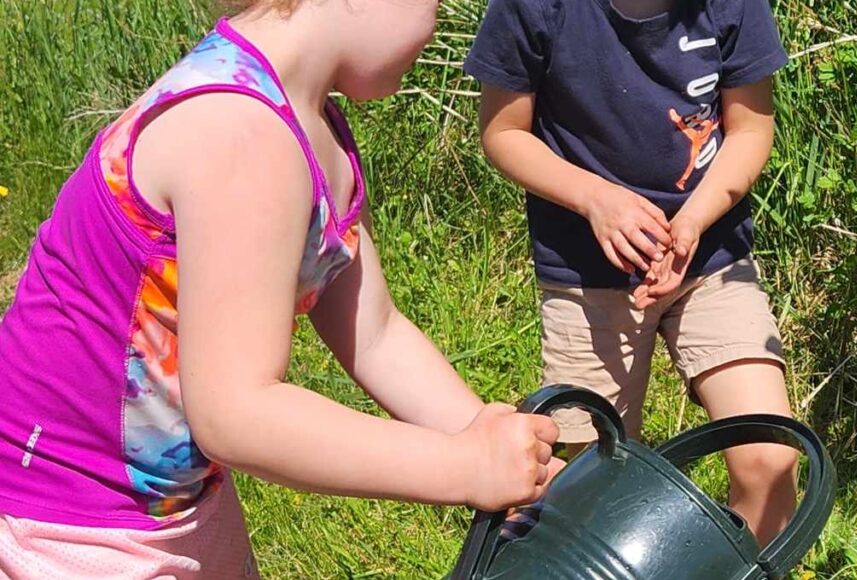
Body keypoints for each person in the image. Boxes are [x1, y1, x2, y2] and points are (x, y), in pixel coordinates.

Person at [0, 1, 558, 577]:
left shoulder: (307, 123)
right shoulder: (239, 132)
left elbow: (375, 334)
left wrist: (502, 450)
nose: (438, 20)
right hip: (65, 518)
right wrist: (463, 467)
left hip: (170, 501)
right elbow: (238, 414)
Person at [466, 0, 798, 544]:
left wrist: (693, 221)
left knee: (771, 457)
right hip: (585, 274)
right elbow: (503, 132)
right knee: (594, 487)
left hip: (710, 259)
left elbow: (750, 130)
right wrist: (595, 199)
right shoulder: (536, 8)